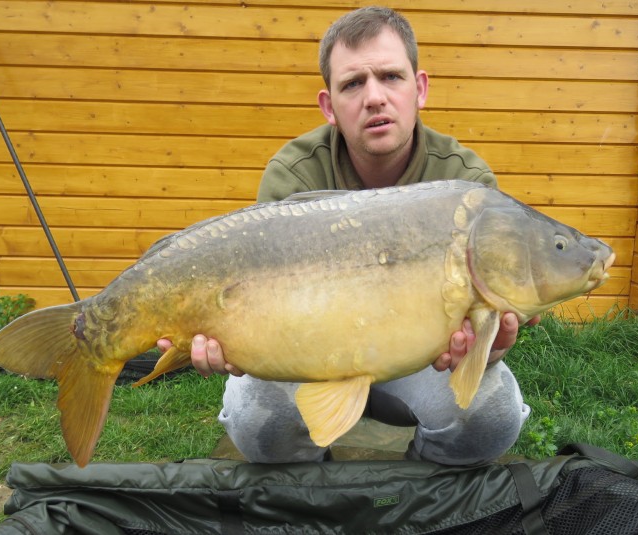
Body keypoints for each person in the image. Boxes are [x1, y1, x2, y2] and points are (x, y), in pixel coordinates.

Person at [159, 5, 538, 465]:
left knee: (489, 419)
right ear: (329, 106)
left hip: (421, 364)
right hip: (307, 356)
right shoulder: (293, 174)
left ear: (419, 89)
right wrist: (230, 342)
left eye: (391, 77)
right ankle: (315, 486)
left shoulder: (466, 186)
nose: (374, 97)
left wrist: (488, 347)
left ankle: (416, 488)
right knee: (257, 423)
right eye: (353, 84)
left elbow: (484, 328)